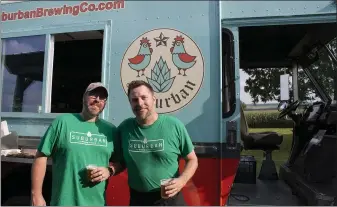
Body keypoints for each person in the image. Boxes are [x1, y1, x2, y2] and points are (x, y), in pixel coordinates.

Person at [111, 80, 198, 206]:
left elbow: (192, 159)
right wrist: (109, 170)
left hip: (169, 199)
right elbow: (122, 161)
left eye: (144, 98)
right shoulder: (125, 128)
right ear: (130, 103)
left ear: (154, 99)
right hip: (137, 200)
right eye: (134, 100)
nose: (140, 103)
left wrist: (181, 181)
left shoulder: (174, 125)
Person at [31, 82, 118, 206]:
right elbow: (41, 156)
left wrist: (109, 170)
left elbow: (121, 162)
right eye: (93, 95)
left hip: (97, 203)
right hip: (63, 202)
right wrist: (36, 195)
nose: (97, 99)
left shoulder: (110, 130)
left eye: (102, 97)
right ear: (84, 97)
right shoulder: (63, 122)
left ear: (105, 103)